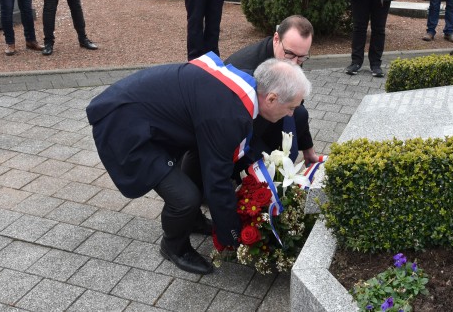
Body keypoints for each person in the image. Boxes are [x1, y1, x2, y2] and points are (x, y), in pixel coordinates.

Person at [86, 54, 311, 275]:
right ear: (271, 98)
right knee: (185, 198)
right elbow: (217, 180)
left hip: (142, 116)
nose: (290, 114)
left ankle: (192, 221)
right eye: (290, 108)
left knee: (199, 160)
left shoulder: (245, 85)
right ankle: (174, 247)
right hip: (123, 126)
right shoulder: (229, 114)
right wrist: (234, 235)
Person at [224, 15, 319, 167]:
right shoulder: (245, 69)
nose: (294, 63)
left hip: (266, 117)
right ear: (276, 39)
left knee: (300, 113)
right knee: (272, 165)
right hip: (242, 129)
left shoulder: (290, 57)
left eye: (301, 58)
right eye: (290, 54)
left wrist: (308, 150)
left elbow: (297, 103)